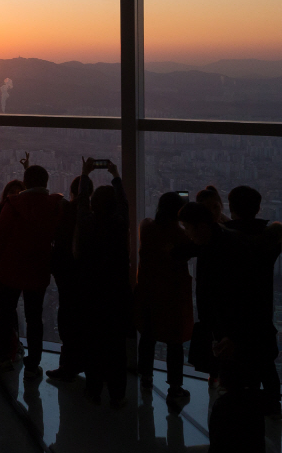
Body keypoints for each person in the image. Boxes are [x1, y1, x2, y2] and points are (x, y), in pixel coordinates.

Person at [0, 163, 64, 377]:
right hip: (38, 270)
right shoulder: (55, 206)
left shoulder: (12, 205)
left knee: (6, 315)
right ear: (46, 182)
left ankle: (3, 358)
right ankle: (33, 363)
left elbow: (0, 239)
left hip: (10, 270)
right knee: (34, 318)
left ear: (26, 182)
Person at [73, 159, 131, 408]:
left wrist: (85, 175)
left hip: (90, 293)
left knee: (93, 343)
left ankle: (93, 389)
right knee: (116, 346)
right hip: (116, 293)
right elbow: (124, 205)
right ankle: (117, 393)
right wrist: (116, 175)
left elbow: (81, 202)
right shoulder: (120, 224)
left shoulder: (86, 223)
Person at [224, 185, 282, 419]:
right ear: (259, 208)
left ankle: (241, 408)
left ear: (231, 209)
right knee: (266, 362)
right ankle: (273, 406)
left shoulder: (223, 240)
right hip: (261, 308)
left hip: (233, 311)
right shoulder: (270, 238)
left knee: (236, 362)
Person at [134, 192, 192, 410]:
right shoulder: (181, 236)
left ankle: (146, 379)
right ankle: (175, 388)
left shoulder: (147, 229)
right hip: (172, 296)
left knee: (148, 336)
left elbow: (147, 222)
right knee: (174, 343)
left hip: (148, 292)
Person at [46, 172, 93, 382]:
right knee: (83, 321)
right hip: (86, 279)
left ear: (73, 192)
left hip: (66, 277)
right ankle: (84, 363)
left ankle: (67, 365)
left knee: (67, 321)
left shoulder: (65, 212)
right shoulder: (93, 216)